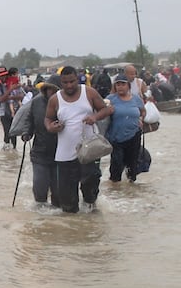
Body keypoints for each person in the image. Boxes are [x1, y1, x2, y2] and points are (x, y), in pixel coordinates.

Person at [44, 65, 110, 213]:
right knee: (67, 200)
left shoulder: (89, 93)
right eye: (65, 83)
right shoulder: (55, 99)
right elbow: (48, 119)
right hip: (65, 154)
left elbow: (107, 109)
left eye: (72, 81)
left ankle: (90, 217)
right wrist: (51, 127)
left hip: (89, 151)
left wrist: (94, 117)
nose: (69, 85)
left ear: (77, 79)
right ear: (61, 82)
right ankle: (72, 231)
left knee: (90, 187)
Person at [95, 74, 147, 183]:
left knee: (132, 165)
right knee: (117, 164)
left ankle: (130, 190)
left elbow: (143, 111)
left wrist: (141, 119)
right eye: (118, 84)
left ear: (128, 85)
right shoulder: (110, 99)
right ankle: (115, 189)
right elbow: (101, 114)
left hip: (134, 135)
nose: (120, 87)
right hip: (116, 138)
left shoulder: (136, 99)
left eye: (123, 84)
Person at [24, 78, 58, 205]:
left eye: (54, 89)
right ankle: (40, 216)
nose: (51, 92)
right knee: (40, 186)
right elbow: (29, 119)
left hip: (60, 152)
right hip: (40, 150)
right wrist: (27, 133)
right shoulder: (36, 101)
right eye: (49, 88)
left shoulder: (65, 102)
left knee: (58, 191)